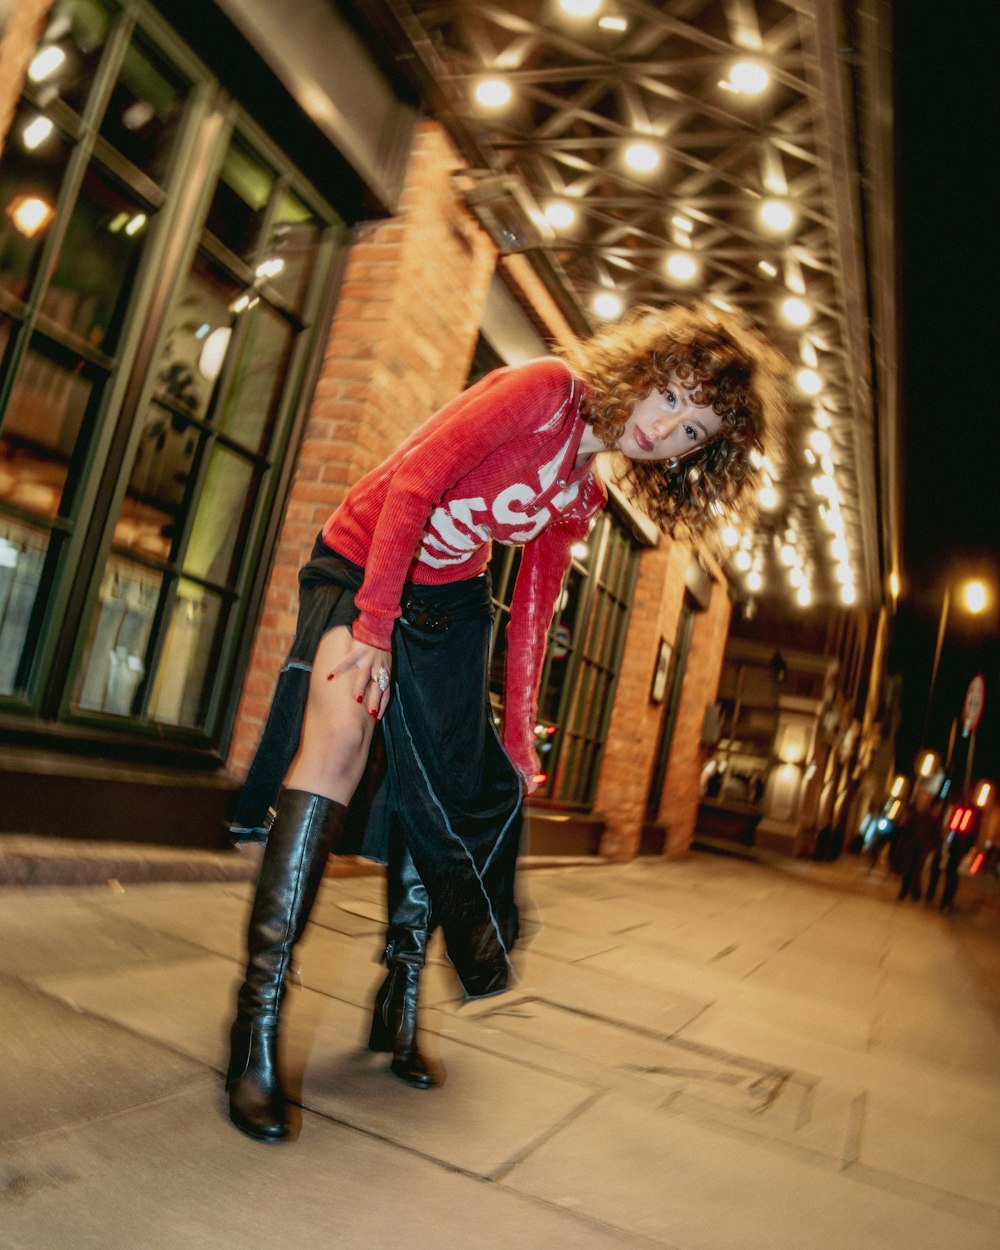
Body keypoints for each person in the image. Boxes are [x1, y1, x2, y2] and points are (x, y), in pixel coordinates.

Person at [224, 303, 784, 1143]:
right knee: (339, 742)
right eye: (670, 398)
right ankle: (255, 1029)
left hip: (450, 603)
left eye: (693, 432)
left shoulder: (581, 494)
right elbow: (412, 480)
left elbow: (532, 609)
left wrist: (519, 737)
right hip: (363, 557)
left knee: (452, 791)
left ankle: (400, 995)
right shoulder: (543, 390)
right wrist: (374, 628)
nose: (667, 430)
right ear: (642, 372)